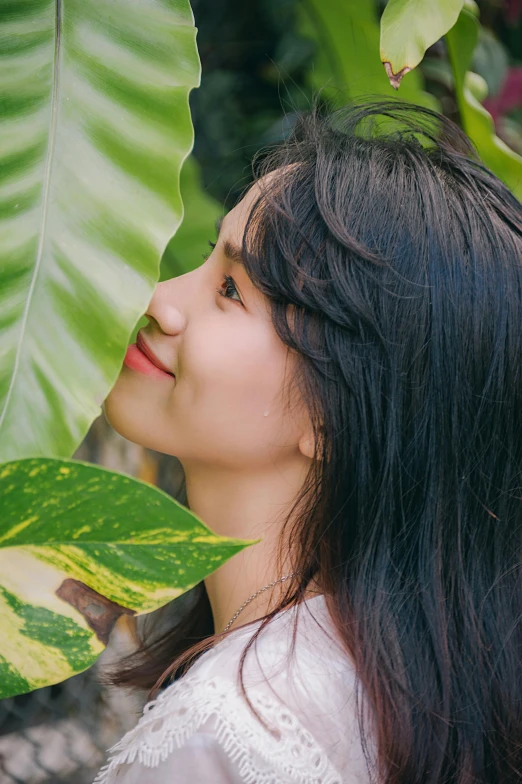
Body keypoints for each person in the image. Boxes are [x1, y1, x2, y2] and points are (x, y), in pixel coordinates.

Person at [94, 100, 522, 784]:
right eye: (207, 260)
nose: (159, 299)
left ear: (337, 410)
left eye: (230, 289)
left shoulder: (223, 736)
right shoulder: (397, 700)